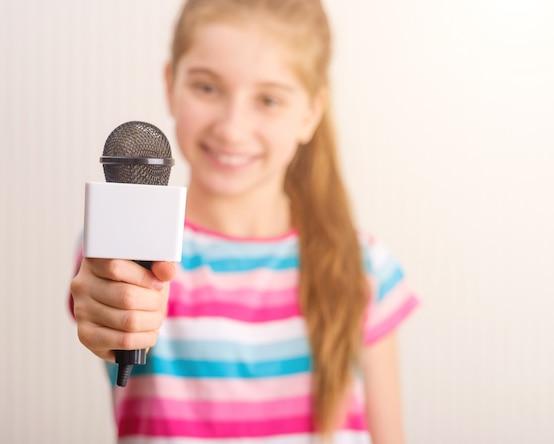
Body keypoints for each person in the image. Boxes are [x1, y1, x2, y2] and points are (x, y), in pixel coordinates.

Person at [69, 0, 419, 442]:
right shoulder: (129, 249)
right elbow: (104, 303)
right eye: (208, 88)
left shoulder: (364, 266)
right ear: (170, 84)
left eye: (268, 99)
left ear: (310, 113)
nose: (232, 128)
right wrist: (107, 310)